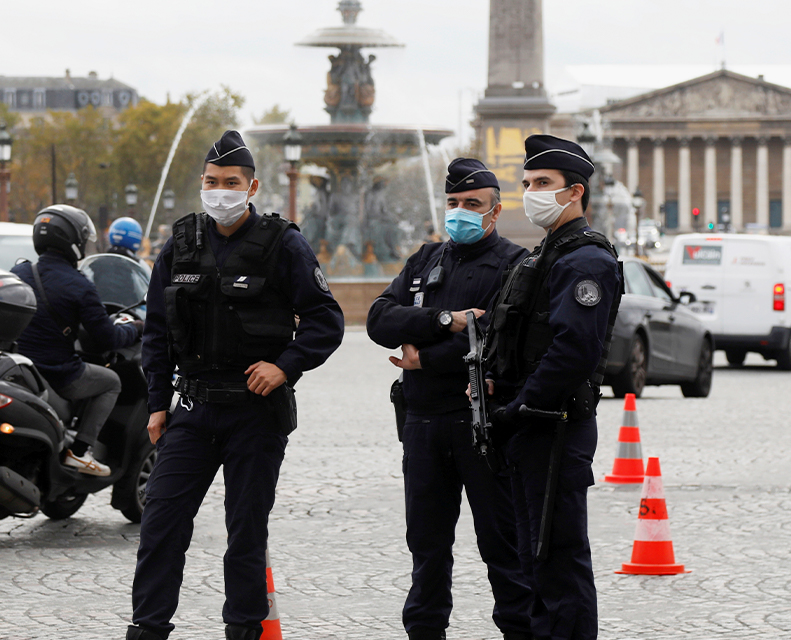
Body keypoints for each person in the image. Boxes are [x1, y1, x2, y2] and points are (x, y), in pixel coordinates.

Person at [126, 130, 345, 640]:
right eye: (210, 181)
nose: (219, 191)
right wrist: (158, 405)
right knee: (160, 525)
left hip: (255, 411)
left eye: (230, 182)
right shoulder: (179, 243)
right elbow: (155, 332)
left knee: (245, 532)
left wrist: (285, 366)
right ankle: (148, 628)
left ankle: (244, 629)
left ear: (252, 186)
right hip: (192, 410)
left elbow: (325, 321)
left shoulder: (282, 243)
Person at [366, 158, 533, 640]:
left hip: (479, 425)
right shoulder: (426, 258)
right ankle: (424, 632)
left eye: (472, 205)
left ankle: (519, 631)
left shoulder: (514, 265)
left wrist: (426, 359)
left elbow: (502, 341)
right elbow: (379, 319)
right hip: (421, 423)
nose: (461, 212)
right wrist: (445, 321)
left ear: (495, 211)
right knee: (426, 545)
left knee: (501, 545)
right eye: (454, 203)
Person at [482, 135, 623, 640]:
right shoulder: (547, 255)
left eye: (543, 184)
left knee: (558, 561)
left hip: (554, 427)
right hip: (531, 429)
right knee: (534, 559)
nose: (531, 193)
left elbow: (573, 351)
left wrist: (520, 407)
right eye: (526, 184)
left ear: (575, 192)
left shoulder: (586, 261)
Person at [12, 205, 143, 477]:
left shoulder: (21, 272)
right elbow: (108, 338)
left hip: (23, 368)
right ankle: (80, 452)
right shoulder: (79, 285)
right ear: (73, 240)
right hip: (59, 373)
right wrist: (138, 327)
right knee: (111, 382)